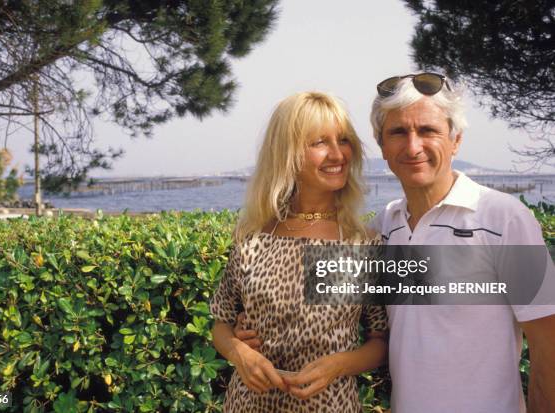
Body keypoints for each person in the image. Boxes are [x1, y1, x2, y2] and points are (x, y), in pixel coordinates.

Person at [235, 74, 555, 412]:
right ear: (382, 146)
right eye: (398, 132)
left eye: (428, 131)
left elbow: (548, 346)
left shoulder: (503, 219)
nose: (413, 146)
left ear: (456, 140)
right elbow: (302, 295)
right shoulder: (382, 230)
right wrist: (248, 331)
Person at [210, 91, 388, 412]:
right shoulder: (252, 239)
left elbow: (381, 341)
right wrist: (239, 352)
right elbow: (220, 322)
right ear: (286, 153)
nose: (338, 154)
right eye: (319, 142)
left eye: (344, 140)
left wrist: (340, 364)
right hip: (248, 405)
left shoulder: (363, 244)